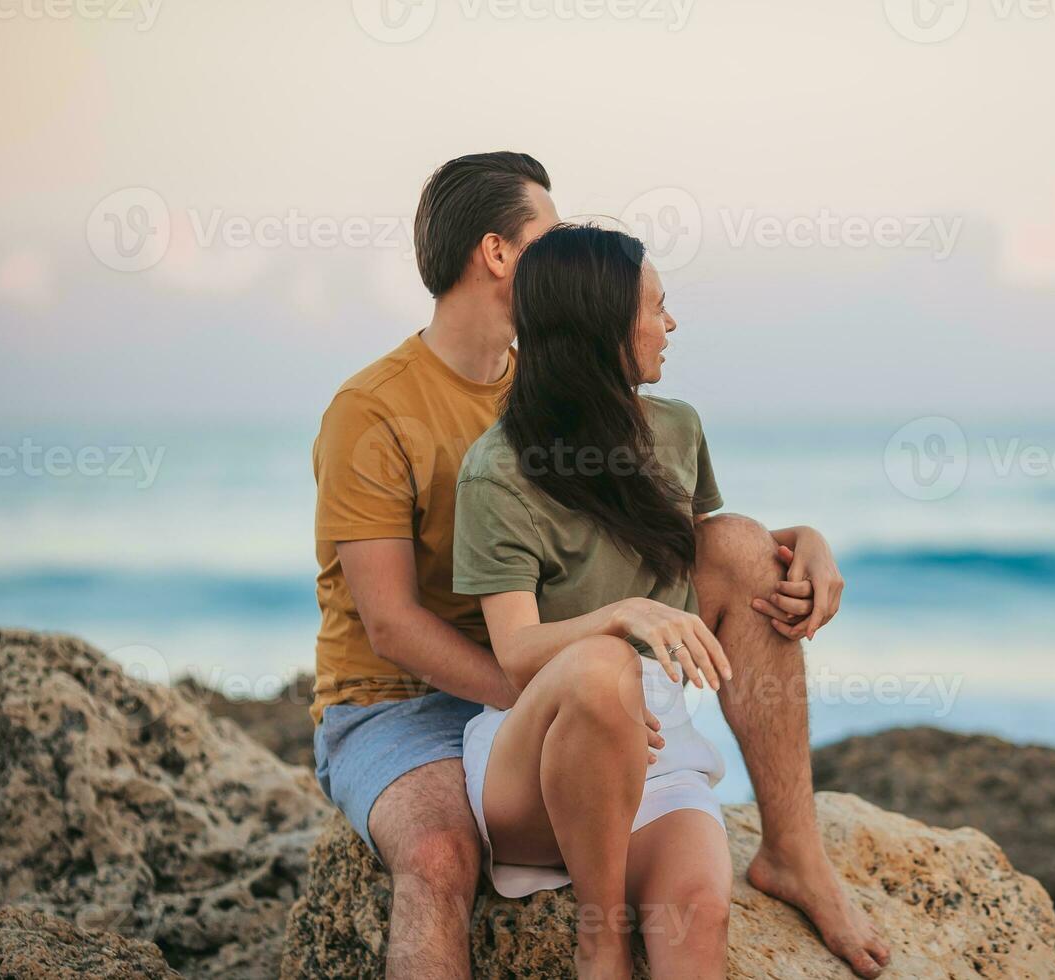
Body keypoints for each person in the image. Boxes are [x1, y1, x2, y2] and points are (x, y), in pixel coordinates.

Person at [309, 152, 890, 979]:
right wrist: (580, 696)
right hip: (399, 698)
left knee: (743, 554)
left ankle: (796, 854)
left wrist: (794, 543)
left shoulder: (564, 386)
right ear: (501, 254)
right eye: (552, 232)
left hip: (561, 669)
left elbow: (671, 535)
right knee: (439, 858)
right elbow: (393, 625)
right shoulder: (373, 412)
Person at [453, 223, 737, 978]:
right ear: (601, 324)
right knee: (603, 665)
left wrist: (800, 542)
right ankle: (598, 938)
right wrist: (618, 617)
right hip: (543, 754)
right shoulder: (498, 471)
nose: (669, 324)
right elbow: (515, 656)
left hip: (658, 751)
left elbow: (707, 551)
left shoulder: (677, 429)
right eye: (655, 307)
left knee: (700, 915)